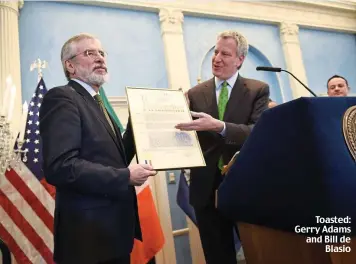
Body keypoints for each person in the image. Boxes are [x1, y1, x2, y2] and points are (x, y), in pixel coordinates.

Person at [39, 33, 156, 264]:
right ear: (70, 65)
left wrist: (139, 122)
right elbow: (61, 167)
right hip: (88, 239)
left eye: (102, 53)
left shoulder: (96, 101)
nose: (100, 58)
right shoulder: (62, 98)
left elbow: (115, 155)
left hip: (114, 232)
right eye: (89, 53)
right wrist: (126, 176)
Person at [176, 30, 269, 264]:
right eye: (215, 52)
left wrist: (221, 126)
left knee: (258, 252)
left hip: (244, 185)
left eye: (225, 54)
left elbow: (257, 133)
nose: (217, 58)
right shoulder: (195, 93)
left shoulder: (258, 90)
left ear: (240, 60)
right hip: (205, 188)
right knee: (217, 256)